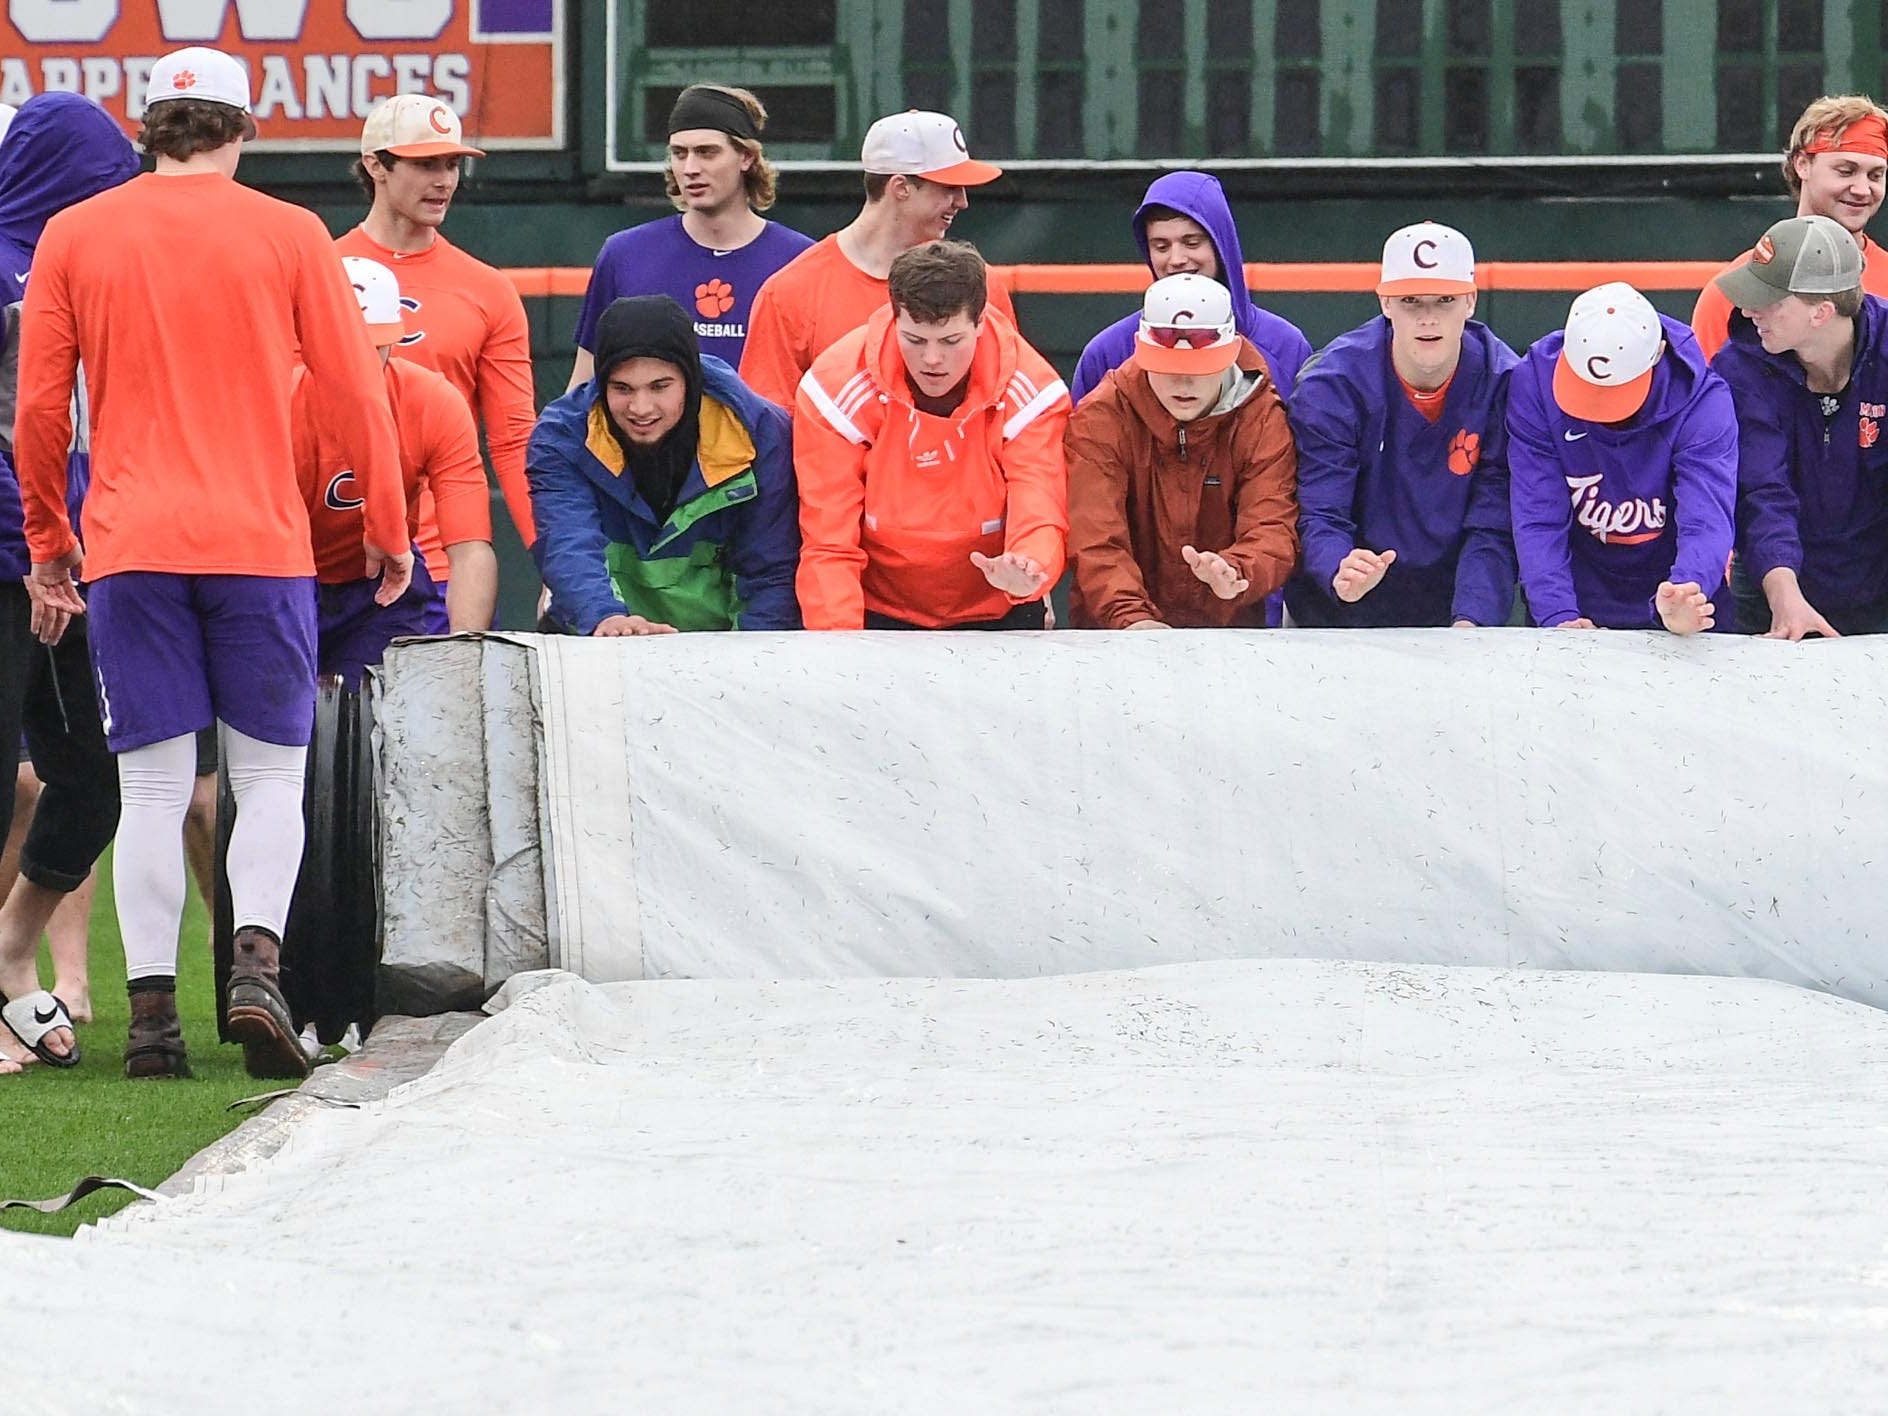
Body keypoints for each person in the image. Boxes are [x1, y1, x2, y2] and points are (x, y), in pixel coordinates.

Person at [12, 47, 409, 1080]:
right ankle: (254, 970)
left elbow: (41, 412)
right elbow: (355, 394)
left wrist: (52, 544)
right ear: (242, 128)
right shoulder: (289, 233)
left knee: (149, 792)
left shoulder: (74, 232)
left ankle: (151, 1025)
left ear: (147, 130)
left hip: (133, 543)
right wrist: (387, 526)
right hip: (259, 542)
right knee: (269, 776)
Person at [0, 92, 138, 1074]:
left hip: (67, 558)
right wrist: (36, 546)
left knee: (91, 782)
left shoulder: (80, 269)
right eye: (98, 183)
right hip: (18, 558)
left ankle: (12, 956)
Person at [794, 240, 1069, 630]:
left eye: (951, 341)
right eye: (915, 340)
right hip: (878, 611)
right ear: (893, 319)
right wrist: (842, 654)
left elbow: (1040, 508)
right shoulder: (834, 392)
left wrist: (1029, 566)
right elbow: (828, 543)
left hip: (999, 606)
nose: (933, 360)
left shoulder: (1033, 393)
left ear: (980, 322)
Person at [335, 94, 535, 620]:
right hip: (326, 555)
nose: (445, 180)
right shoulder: (320, 272)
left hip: (441, 560)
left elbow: (514, 439)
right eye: (426, 164)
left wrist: (553, 558)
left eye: (452, 164)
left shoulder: (487, 289)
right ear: (376, 165)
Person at [1285, 221, 1521, 628]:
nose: (1428, 318)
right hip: (1338, 617)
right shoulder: (1332, 385)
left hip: (1451, 610)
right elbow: (1321, 512)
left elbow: (1492, 527)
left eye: (1445, 299)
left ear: (1470, 302)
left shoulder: (1505, 383)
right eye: (1411, 300)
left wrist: (1472, 622)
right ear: (1385, 303)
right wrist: (1338, 569)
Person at [530, 295, 799, 634]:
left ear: (689, 378)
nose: (641, 407)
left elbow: (770, 573)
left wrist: (749, 666)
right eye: (622, 388)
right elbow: (568, 542)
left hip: (720, 649)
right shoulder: (562, 436)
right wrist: (605, 619)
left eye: (659, 387)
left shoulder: (760, 432)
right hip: (597, 634)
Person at [298, 256, 497, 687]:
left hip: (383, 581)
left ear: (395, 339)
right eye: (341, 347)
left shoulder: (432, 403)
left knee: (396, 715)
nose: (356, 366)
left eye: (372, 347)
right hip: (285, 579)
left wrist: (463, 660)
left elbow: (469, 548)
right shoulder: (277, 402)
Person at [1064, 273, 1297, 628]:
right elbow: (1094, 538)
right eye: (1168, 367)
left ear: (1230, 355)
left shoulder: (1260, 417)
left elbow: (1272, 528)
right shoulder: (1102, 415)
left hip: (1227, 638)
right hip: (1116, 640)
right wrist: (1132, 619)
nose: (1183, 383)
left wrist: (1237, 571)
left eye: (1199, 369)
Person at [739, 110, 1016, 408]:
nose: (962, 201)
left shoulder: (978, 284)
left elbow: (1009, 404)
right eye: (949, 187)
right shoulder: (790, 292)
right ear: (900, 188)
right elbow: (769, 424)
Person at [1507, 282, 1737, 633]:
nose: (1602, 411)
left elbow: (1707, 518)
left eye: (1617, 393)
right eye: (1588, 389)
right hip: (1577, 599)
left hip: (1678, 604)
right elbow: (1538, 514)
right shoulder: (1535, 381)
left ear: (1658, 354)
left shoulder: (1703, 399)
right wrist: (1558, 615)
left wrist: (1687, 592)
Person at [1709, 214, 1888, 637]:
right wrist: (1786, 600)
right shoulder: (1739, 368)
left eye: (1768, 298)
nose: (1748, 310)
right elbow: (1762, 491)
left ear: (1821, 312)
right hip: (1772, 585)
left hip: (1877, 580)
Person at [567, 85, 813, 388]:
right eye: (679, 154)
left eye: (707, 153)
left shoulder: (801, 260)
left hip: (760, 433)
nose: (690, 169)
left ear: (746, 157)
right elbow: (584, 381)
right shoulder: (625, 254)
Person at [1069, 171, 1312, 407]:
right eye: (1161, 246)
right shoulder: (1107, 353)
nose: (1177, 259)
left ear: (1221, 244)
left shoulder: (1285, 345)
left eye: (1192, 243)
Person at [1692, 95, 1888, 359]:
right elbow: (1706, 396)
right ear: (1802, 164)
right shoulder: (1735, 292)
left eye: (1875, 175)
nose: (1862, 189)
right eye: (1845, 171)